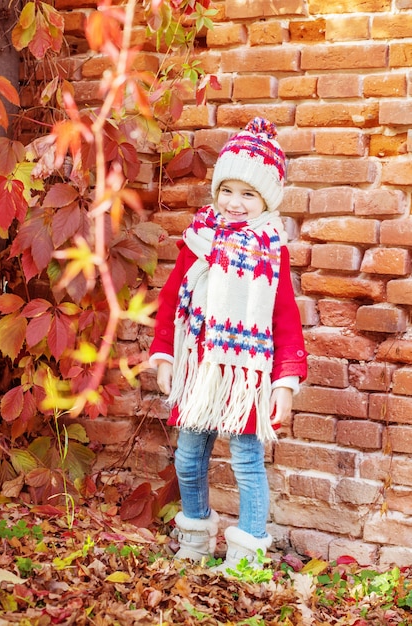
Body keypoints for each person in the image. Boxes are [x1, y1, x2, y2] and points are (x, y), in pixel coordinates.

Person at [149, 117, 307, 572]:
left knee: (246, 460)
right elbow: (171, 295)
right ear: (216, 190)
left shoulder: (270, 248)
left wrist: (284, 382)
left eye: (248, 194)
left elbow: (284, 318)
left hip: (243, 374)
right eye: (227, 190)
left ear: (267, 200)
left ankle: (246, 554)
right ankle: (196, 538)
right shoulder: (198, 238)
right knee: (189, 455)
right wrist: (165, 353)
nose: (235, 203)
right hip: (200, 367)